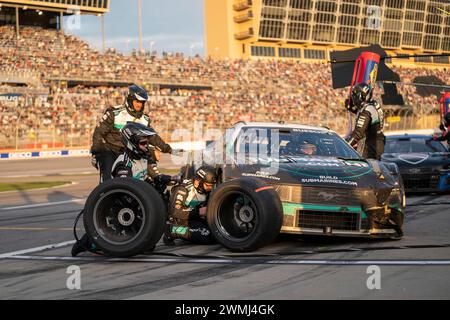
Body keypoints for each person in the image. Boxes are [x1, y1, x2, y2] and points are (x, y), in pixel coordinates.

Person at [71, 122, 176, 257]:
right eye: (143, 143)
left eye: (147, 143)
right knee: (140, 245)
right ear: (132, 143)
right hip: (122, 206)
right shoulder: (124, 164)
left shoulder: (145, 157)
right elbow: (126, 191)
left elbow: (155, 176)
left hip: (139, 202)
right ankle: (88, 242)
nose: (146, 146)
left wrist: (173, 178)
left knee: (162, 192)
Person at [91, 84, 173, 183]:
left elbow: (153, 137)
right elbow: (98, 133)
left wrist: (169, 149)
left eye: (142, 102)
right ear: (130, 100)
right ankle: (104, 195)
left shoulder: (144, 119)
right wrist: (95, 153)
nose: (140, 105)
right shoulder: (115, 113)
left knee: (150, 175)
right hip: (111, 151)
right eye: (137, 101)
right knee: (107, 181)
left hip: (131, 153)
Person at [163, 166, 218, 246]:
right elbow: (174, 212)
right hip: (181, 221)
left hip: (195, 219)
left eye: (212, 185)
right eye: (208, 185)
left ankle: (192, 233)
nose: (210, 188)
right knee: (207, 235)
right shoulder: (184, 189)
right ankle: (172, 230)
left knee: (218, 233)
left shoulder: (205, 190)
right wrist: (199, 212)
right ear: (198, 181)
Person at [345, 82, 385, 160]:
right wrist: (351, 108)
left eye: (355, 97)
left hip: (369, 147)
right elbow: (366, 118)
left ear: (361, 96)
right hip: (377, 143)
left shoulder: (366, 110)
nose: (354, 100)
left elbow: (358, 134)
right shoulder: (373, 105)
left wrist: (345, 146)